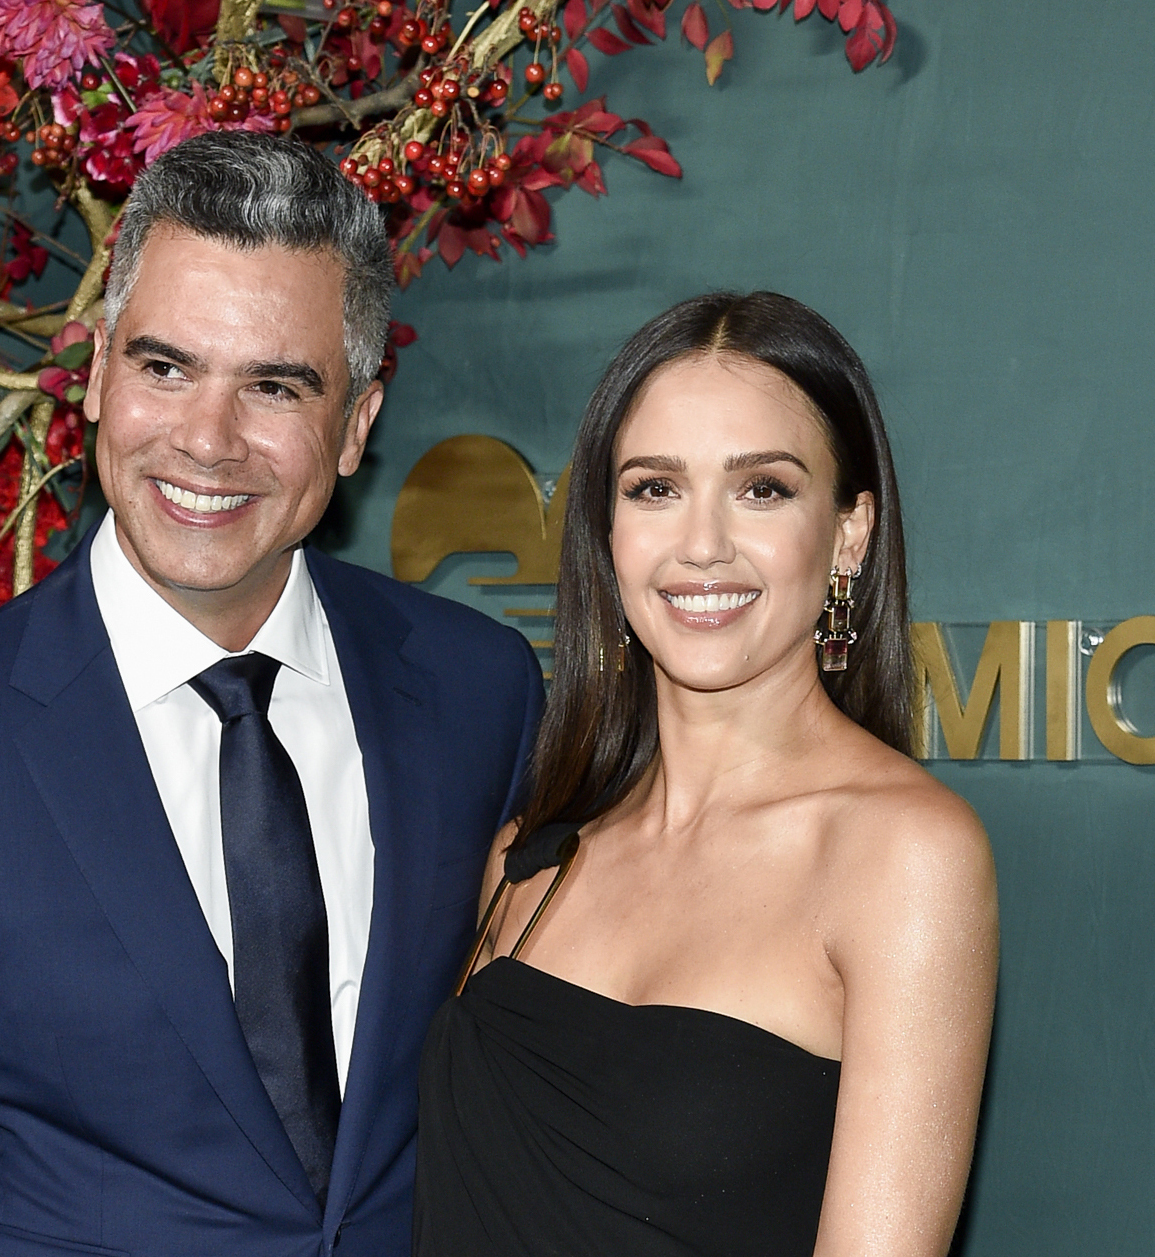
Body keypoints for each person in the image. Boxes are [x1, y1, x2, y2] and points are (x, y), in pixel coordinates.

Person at [0, 132, 545, 1257]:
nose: (206, 441)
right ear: (94, 378)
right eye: (164, 367)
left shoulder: (480, 690)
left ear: (357, 427)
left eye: (275, 385)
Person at [414, 292, 999, 1257]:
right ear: (607, 529)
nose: (701, 545)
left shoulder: (904, 858)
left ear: (849, 533)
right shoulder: (531, 855)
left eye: (762, 488)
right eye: (655, 488)